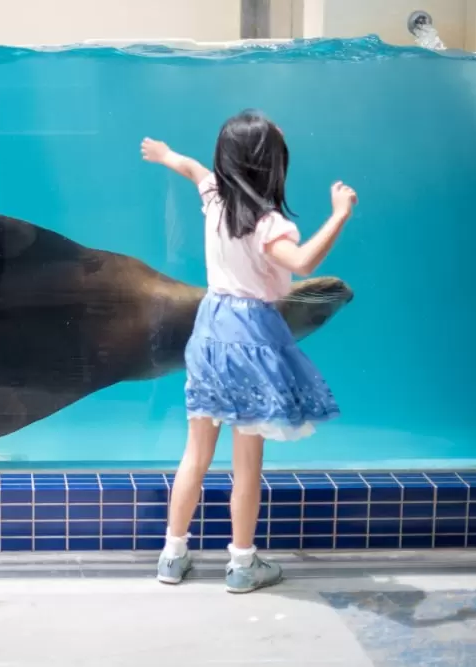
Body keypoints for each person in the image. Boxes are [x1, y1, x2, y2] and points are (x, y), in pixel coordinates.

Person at [140, 110, 357, 594]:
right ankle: (241, 564)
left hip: (211, 329)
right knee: (247, 465)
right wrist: (340, 214)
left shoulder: (215, 199)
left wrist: (165, 155)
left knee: (194, 455)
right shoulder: (268, 225)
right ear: (273, 163)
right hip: (253, 337)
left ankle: (172, 556)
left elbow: (194, 169)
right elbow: (302, 264)